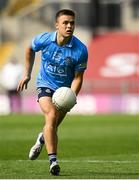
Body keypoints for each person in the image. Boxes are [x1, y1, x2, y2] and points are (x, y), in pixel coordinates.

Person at [17, 9, 88, 176]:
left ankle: (41, 139)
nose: (69, 26)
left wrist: (72, 95)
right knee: (51, 115)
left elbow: (78, 77)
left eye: (72, 23)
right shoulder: (44, 39)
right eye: (65, 22)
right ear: (57, 25)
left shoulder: (81, 50)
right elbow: (29, 49)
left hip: (64, 91)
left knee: (53, 124)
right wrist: (27, 74)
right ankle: (53, 161)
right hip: (45, 85)